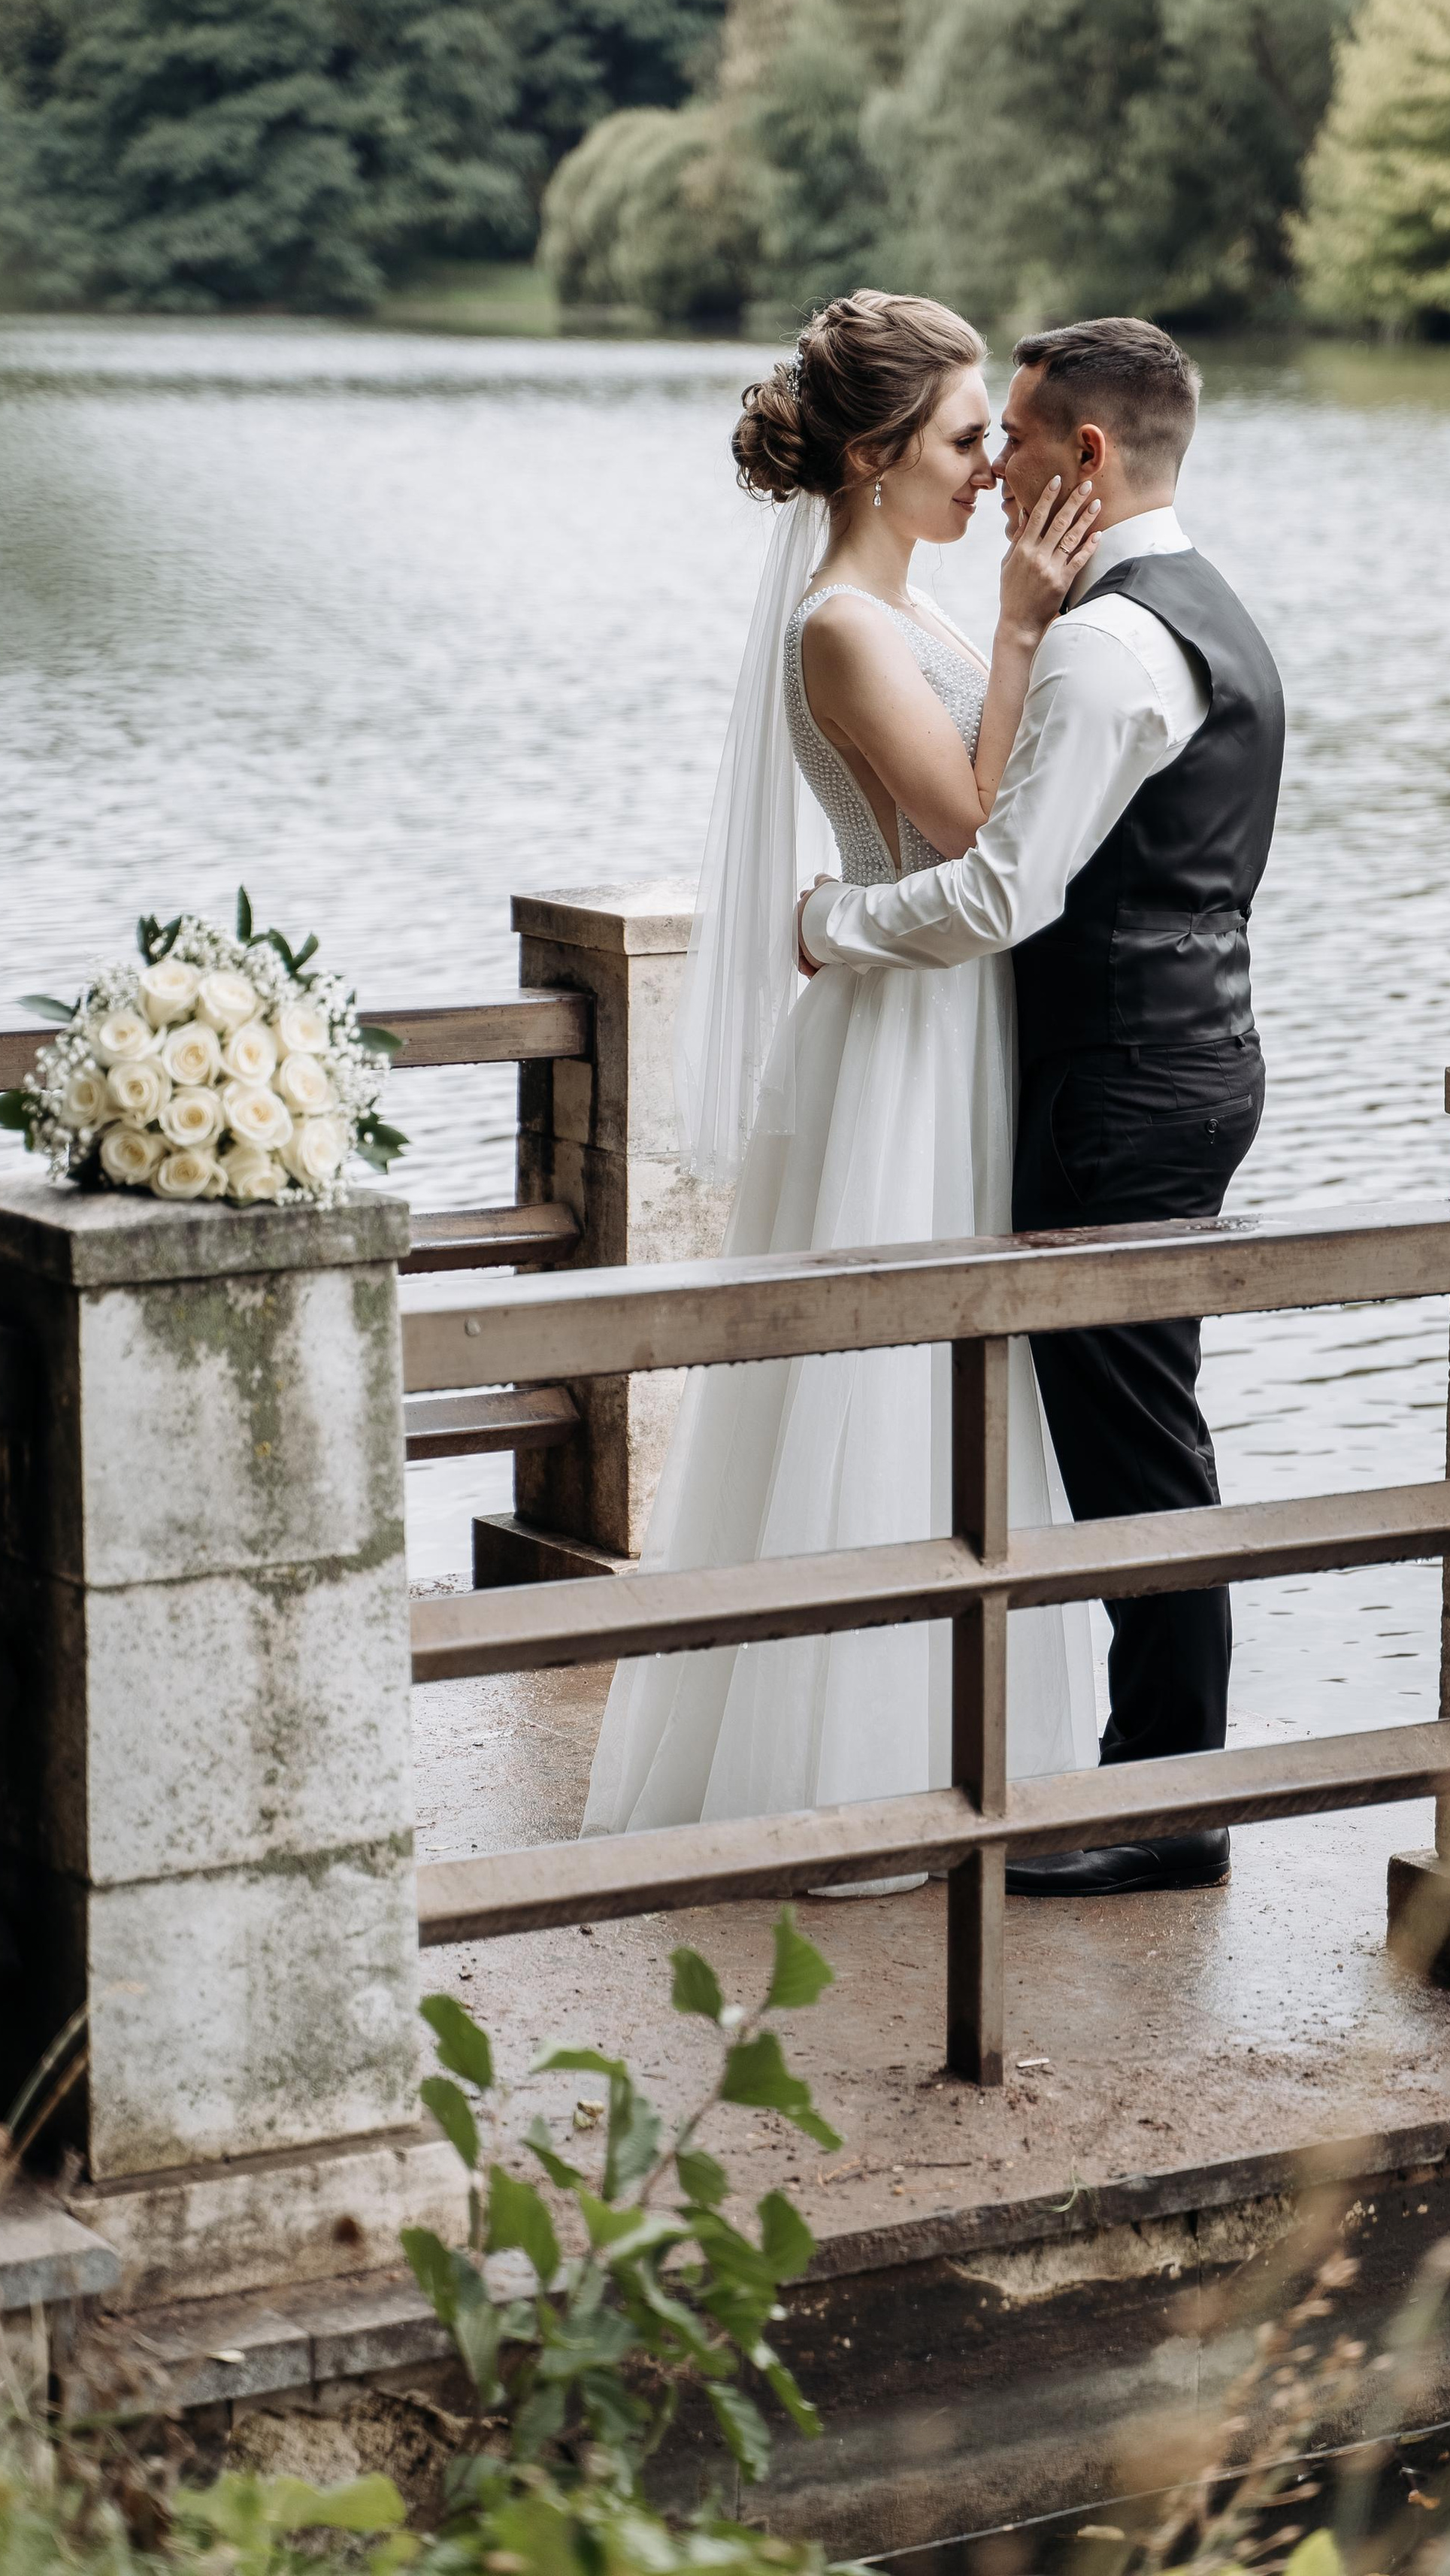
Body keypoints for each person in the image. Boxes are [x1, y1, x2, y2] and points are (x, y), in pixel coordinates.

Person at [582, 291, 1104, 1871]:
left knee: (973, 1383)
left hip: (956, 1012)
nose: (991, 471)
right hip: (894, 1048)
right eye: (963, 441)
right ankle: (847, 1775)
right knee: (877, 1392)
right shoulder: (840, 624)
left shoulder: (921, 610)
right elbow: (961, 825)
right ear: (875, 458)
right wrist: (1024, 626)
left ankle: (979, 1749)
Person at [799, 317, 1286, 1898]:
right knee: (1143, 1430)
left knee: (1133, 1449)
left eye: (1009, 435)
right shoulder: (1202, 606)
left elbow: (1003, 888)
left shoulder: (1097, 642)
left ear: (1084, 453)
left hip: (1117, 1082)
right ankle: (1159, 1783)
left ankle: (1169, 1809)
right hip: (1191, 1054)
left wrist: (826, 928)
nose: (993, 465)